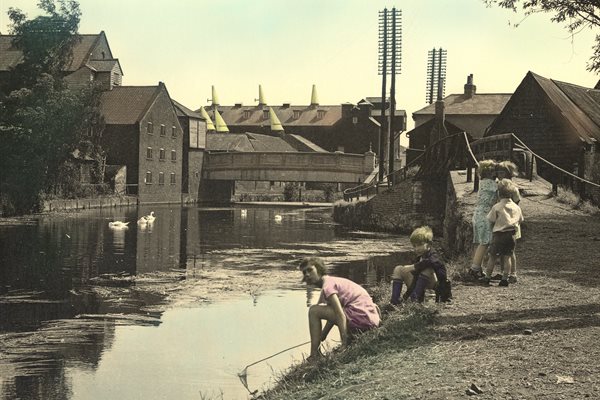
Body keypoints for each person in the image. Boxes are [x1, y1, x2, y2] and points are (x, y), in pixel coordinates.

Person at [300, 257, 380, 359]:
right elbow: (332, 315)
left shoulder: (328, 286)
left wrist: (344, 343)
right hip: (369, 319)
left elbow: (339, 314)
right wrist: (323, 335)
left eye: (310, 270)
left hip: (361, 317)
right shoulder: (330, 282)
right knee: (319, 309)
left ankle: (314, 355)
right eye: (304, 272)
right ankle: (318, 351)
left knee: (313, 311)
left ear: (319, 269)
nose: (307, 274)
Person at [390, 226, 450, 305]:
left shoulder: (434, 254)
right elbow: (415, 279)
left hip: (437, 287)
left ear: (429, 244)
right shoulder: (419, 257)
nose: (417, 248)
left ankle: (415, 300)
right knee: (398, 269)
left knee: (427, 269)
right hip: (421, 284)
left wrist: (413, 266)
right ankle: (395, 302)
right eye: (414, 246)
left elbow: (430, 262)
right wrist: (405, 296)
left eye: (420, 245)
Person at [482, 179, 524, 287]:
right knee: (507, 257)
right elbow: (520, 220)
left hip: (498, 234)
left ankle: (487, 277)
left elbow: (491, 219)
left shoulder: (497, 207)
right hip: (511, 235)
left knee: (492, 256)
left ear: (498, 193)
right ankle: (505, 279)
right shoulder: (516, 207)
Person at [468, 160, 498, 279]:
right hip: (485, 216)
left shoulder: (482, 182)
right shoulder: (491, 184)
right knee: (484, 242)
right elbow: (501, 189)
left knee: (478, 242)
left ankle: (476, 266)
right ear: (490, 173)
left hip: (477, 214)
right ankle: (474, 269)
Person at [496, 161, 521, 283]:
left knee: (510, 251)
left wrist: (508, 209)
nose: (500, 175)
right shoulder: (499, 185)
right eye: (498, 172)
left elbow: (517, 201)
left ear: (508, 173)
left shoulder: (512, 187)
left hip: (510, 221)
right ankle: (503, 272)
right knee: (502, 249)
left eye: (502, 172)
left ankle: (513, 273)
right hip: (501, 221)